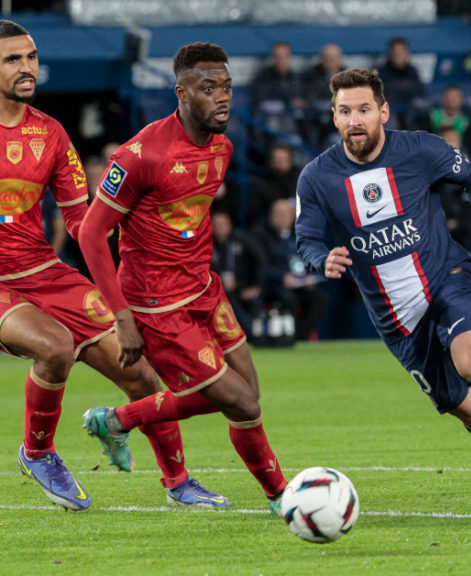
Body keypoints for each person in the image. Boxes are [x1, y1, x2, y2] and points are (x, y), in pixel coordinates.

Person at [295, 68, 471, 493]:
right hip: (397, 320)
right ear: (333, 116)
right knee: (470, 410)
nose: (354, 120)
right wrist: (322, 259)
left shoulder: (419, 149)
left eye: (363, 109)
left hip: (444, 278)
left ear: (383, 112)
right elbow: (306, 238)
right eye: (345, 111)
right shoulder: (316, 177)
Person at [0, 20, 222, 510]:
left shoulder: (50, 133)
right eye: (13, 59)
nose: (26, 67)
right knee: (55, 347)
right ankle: (37, 452)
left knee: (139, 371)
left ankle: (179, 482)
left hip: (42, 271)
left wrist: (137, 258)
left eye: (31, 56)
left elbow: (82, 222)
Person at [77, 42, 290, 515]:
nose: (223, 97)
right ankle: (283, 497)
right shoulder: (140, 155)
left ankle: (118, 420)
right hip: (158, 305)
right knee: (243, 403)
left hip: (204, 289)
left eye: (227, 87)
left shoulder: (223, 148)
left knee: (248, 397)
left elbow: (188, 221)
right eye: (209, 88)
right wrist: (123, 317)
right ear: (182, 93)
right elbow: (91, 234)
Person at [255, 198, 329, 342]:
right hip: (274, 285)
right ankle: (289, 337)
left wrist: (310, 276)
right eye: (278, 214)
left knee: (321, 299)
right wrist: (282, 276)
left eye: (285, 215)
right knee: (289, 300)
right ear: (271, 216)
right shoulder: (261, 237)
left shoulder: (300, 236)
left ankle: (301, 336)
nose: (281, 218)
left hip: (300, 285)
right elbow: (260, 266)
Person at [211, 207, 266, 338]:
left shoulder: (241, 239)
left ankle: (257, 333)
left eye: (223, 224)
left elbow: (261, 259)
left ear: (230, 225)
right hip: (215, 289)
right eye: (216, 225)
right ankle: (251, 335)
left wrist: (256, 286)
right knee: (229, 300)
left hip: (242, 286)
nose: (220, 228)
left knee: (254, 302)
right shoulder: (205, 243)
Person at [250, 41, 305, 139]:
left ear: (289, 57)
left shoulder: (296, 77)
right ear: (273, 57)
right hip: (272, 117)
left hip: (293, 116)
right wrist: (288, 101)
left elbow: (303, 95)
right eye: (278, 57)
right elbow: (262, 98)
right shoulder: (263, 77)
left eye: (284, 56)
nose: (281, 60)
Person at [303, 43, 345, 149]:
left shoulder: (349, 78)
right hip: (316, 118)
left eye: (333, 58)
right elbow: (308, 96)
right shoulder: (310, 76)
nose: (330, 61)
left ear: (340, 59)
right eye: (327, 58)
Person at [376, 36, 425, 126]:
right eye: (395, 52)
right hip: (389, 111)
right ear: (390, 54)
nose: (398, 55)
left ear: (406, 53)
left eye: (400, 52)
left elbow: (420, 93)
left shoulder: (412, 72)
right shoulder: (381, 73)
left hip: (410, 111)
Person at [246, 143, 299, 225]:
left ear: (290, 161)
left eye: (282, 159)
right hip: (268, 228)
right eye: (275, 159)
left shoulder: (299, 183)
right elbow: (253, 214)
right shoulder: (263, 186)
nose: (278, 163)